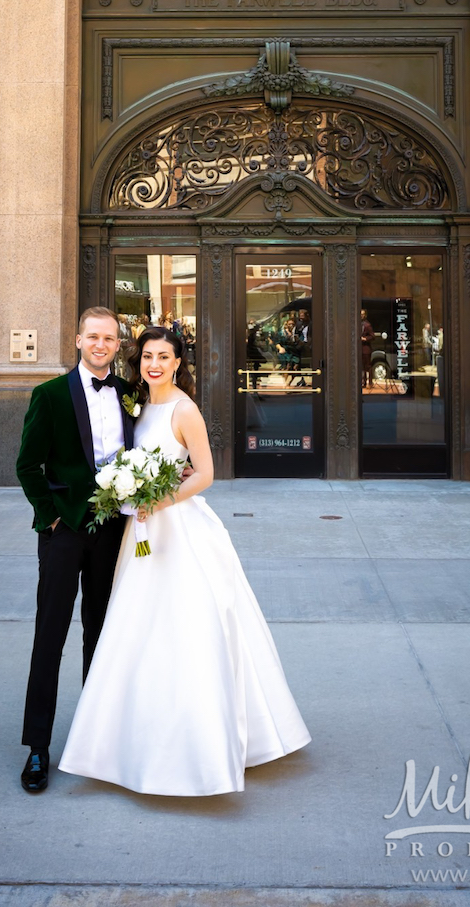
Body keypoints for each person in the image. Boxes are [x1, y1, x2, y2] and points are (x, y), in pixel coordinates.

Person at [59, 326, 311, 796]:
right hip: (141, 530)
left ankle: (200, 747)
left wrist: (161, 500)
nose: (154, 364)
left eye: (164, 357)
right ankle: (127, 740)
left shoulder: (184, 408)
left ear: (178, 363)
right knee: (137, 626)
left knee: (188, 627)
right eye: (147, 356)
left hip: (178, 527)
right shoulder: (137, 404)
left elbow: (208, 473)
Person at [16, 306, 137, 794]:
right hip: (64, 533)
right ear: (79, 340)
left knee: (101, 636)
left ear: (118, 344)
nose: (101, 345)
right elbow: (27, 465)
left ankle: (95, 742)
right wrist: (53, 517)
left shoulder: (131, 395)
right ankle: (38, 747)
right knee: (50, 636)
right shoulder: (48, 395)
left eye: (109, 338)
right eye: (93, 337)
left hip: (113, 533)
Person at [360, 309, 375, 389]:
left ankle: (370, 382)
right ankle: (364, 382)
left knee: (368, 366)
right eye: (360, 314)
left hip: (366, 349)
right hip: (360, 348)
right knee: (362, 367)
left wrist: (365, 339)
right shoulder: (359, 324)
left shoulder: (367, 325)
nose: (361, 316)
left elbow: (373, 336)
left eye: (362, 314)